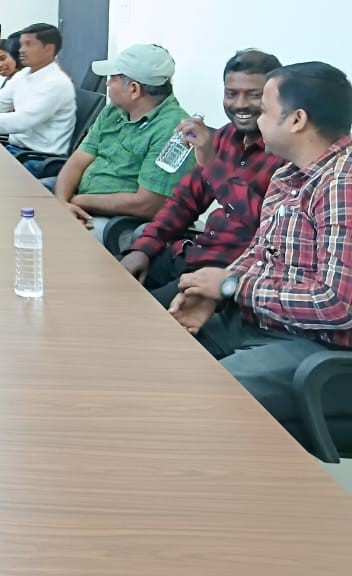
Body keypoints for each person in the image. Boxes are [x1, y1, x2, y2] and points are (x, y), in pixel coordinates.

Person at [168, 62, 352, 434]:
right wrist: (216, 294)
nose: (257, 118)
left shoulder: (341, 184)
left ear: (296, 119)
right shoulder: (289, 172)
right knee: (158, 358)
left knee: (191, 401)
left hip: (319, 347)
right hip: (261, 323)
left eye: (265, 110)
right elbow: (259, 252)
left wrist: (233, 288)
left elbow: (336, 305)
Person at [120, 50, 284, 307]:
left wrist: (210, 162)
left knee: (134, 314)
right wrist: (144, 247)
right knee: (110, 283)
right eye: (231, 94)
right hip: (194, 253)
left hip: (228, 274)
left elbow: (258, 223)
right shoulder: (225, 137)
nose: (240, 104)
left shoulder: (285, 151)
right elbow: (183, 202)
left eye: (253, 95)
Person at [52, 43, 195, 251]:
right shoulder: (113, 112)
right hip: (81, 201)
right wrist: (62, 202)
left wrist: (79, 200)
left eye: (113, 78)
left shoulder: (174, 130)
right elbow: (78, 160)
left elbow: (147, 204)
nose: (107, 83)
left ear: (134, 89)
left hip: (119, 221)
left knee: (55, 238)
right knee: (25, 205)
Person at [0, 23, 76, 156]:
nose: (21, 50)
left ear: (48, 49)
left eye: (28, 44)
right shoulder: (25, 73)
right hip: (16, 149)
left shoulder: (55, 83)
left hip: (37, 158)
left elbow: (20, 121)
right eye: (21, 44)